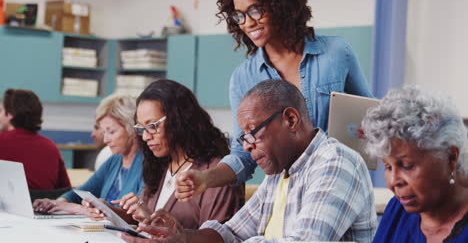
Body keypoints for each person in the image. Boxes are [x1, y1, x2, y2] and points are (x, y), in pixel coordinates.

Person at [175, 0, 372, 201]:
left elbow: (370, 116)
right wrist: (206, 178)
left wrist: (369, 130)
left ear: (280, 3)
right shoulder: (244, 78)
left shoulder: (335, 53)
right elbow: (243, 154)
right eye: (239, 15)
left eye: (255, 10)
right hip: (287, 197)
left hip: (341, 187)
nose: (247, 22)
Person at [120, 79, 377, 243]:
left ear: (290, 119)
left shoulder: (335, 163)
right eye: (244, 136)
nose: (246, 146)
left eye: (253, 133)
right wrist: (182, 237)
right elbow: (232, 232)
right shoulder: (279, 172)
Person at [84, 79, 244, 228]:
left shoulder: (216, 174)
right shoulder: (160, 165)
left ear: (180, 119)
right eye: (141, 129)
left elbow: (218, 238)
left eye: (152, 126)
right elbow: (144, 219)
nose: (145, 137)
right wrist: (109, 211)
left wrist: (154, 221)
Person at [361, 86, 468, 242]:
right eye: (388, 167)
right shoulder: (398, 209)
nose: (393, 181)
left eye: (406, 165)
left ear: (451, 157)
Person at [33, 93, 144, 214]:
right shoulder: (114, 160)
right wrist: (56, 203)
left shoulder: (147, 165)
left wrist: (75, 208)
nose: (106, 139)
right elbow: (80, 193)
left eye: (111, 132)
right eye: (104, 132)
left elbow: (136, 216)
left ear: (132, 129)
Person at [0, 88, 71, 190]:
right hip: (41, 205)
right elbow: (65, 190)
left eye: (1, 110)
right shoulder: (50, 146)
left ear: (10, 114)